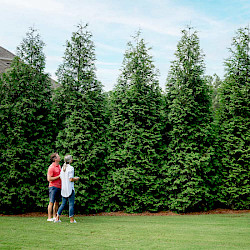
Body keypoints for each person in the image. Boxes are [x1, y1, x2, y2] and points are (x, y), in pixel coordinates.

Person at [55, 155, 79, 223]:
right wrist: (76, 178)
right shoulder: (71, 168)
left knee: (63, 204)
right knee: (71, 204)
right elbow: (71, 179)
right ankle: (71, 219)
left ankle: (57, 218)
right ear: (70, 160)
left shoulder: (63, 168)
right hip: (70, 189)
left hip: (64, 189)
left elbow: (61, 177)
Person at [47, 152, 61, 222]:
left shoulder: (59, 166)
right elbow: (49, 179)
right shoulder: (51, 167)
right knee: (51, 202)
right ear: (55, 159)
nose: (60, 157)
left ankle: (54, 216)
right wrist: (58, 176)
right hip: (53, 187)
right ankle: (49, 218)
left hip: (59, 187)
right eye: (58, 156)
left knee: (57, 202)